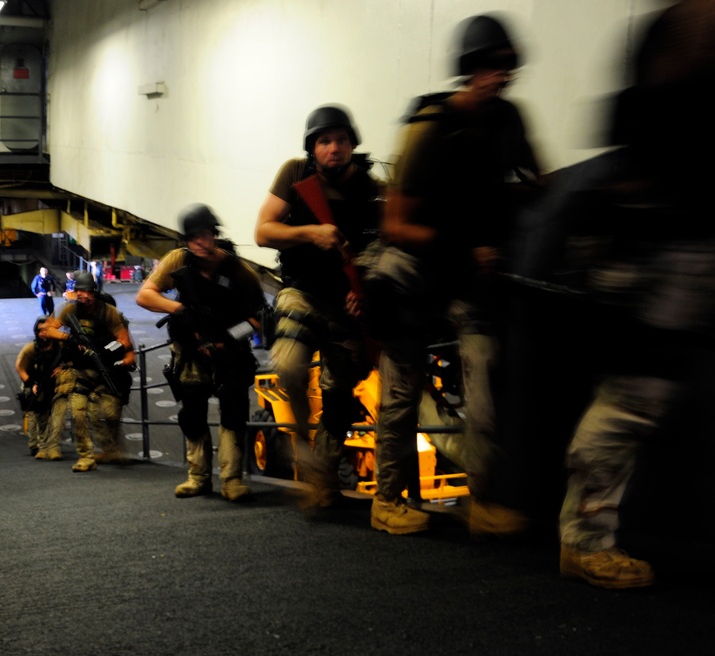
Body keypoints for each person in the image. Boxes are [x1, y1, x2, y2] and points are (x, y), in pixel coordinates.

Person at [552, 0, 715, 589]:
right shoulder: (673, 44)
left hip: (692, 240)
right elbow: (628, 158)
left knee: (650, 388)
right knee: (634, 394)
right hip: (653, 240)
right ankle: (584, 540)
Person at [367, 13, 541, 535]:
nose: (500, 75)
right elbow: (395, 224)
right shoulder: (431, 129)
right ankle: (387, 499)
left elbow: (538, 182)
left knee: (485, 369)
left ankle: (484, 499)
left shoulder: (510, 122)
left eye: (506, 66)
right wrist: (465, 246)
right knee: (401, 388)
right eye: (488, 66)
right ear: (468, 70)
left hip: (464, 274)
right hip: (415, 270)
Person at [254, 104, 379, 508]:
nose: (333, 148)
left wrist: (365, 289)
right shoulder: (295, 173)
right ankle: (304, 448)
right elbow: (263, 231)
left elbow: (384, 246)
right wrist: (312, 234)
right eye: (324, 141)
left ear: (352, 144)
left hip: (345, 304)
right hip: (301, 292)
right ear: (312, 147)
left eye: (341, 140)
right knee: (288, 366)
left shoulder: (369, 189)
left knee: (341, 397)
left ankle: (322, 476)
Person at [137, 204, 266, 501]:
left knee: (233, 414)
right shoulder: (178, 261)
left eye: (204, 235)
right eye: (192, 237)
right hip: (191, 352)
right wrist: (181, 310)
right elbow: (145, 295)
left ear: (214, 235)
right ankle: (198, 477)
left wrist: (230, 338)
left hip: (230, 354)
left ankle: (232, 480)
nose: (199, 242)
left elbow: (259, 317)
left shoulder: (237, 270)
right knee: (192, 413)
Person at [42, 271, 135, 472]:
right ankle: (85, 456)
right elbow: (47, 329)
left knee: (108, 414)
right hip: (80, 370)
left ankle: (113, 450)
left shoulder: (108, 312)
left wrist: (108, 353)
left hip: (106, 371)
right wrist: (69, 339)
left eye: (86, 292)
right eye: (78, 291)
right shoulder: (70, 310)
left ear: (94, 292)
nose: (82, 296)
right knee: (78, 413)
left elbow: (125, 343)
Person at [15, 315, 70, 460]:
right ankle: (40, 446)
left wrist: (64, 367)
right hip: (37, 385)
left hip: (58, 386)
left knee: (57, 420)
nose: (43, 334)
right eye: (40, 330)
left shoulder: (61, 345)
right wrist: (32, 383)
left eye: (47, 329)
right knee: (38, 419)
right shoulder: (32, 348)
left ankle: (53, 447)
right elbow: (20, 368)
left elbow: (74, 359)